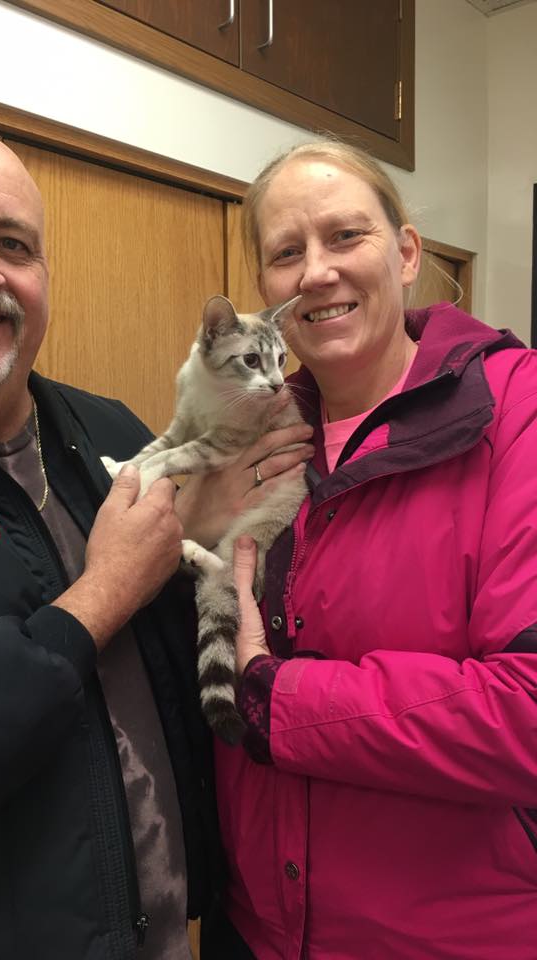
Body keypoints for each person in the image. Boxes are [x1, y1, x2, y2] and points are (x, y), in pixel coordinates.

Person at [0, 122, 312, 959]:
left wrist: (186, 549)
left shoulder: (107, 427)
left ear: (43, 274)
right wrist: (99, 593)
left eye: (12, 244)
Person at [214, 139, 537, 960]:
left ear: (405, 253)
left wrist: (273, 700)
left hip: (449, 938)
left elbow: (526, 711)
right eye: (287, 253)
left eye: (345, 237)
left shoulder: (516, 412)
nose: (315, 272)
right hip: (260, 930)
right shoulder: (245, 435)